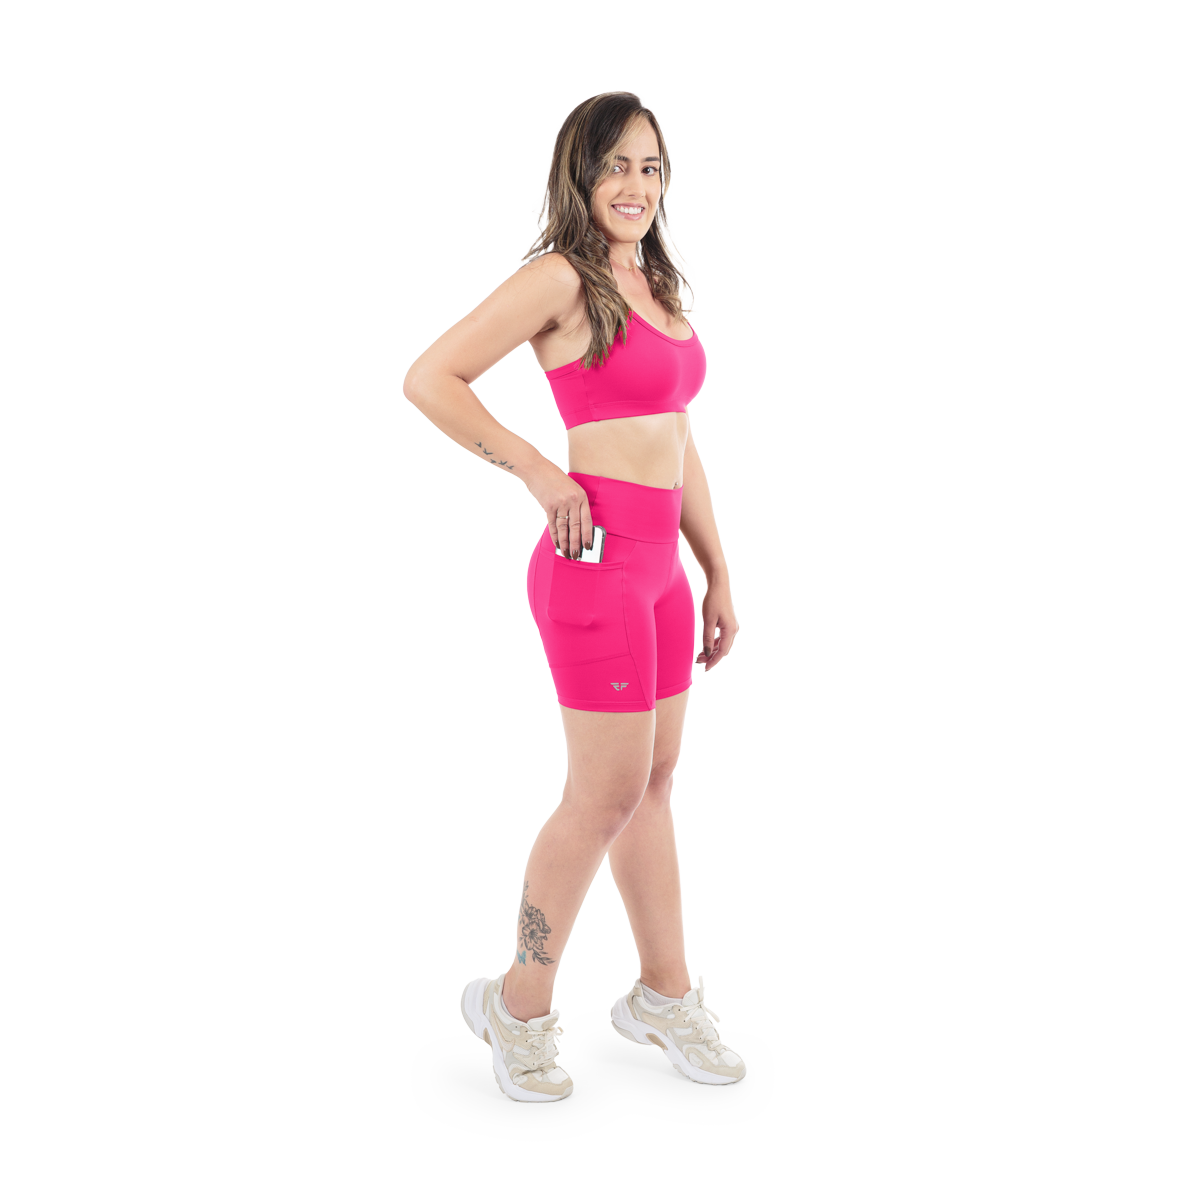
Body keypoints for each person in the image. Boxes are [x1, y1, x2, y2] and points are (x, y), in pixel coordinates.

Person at [403, 91, 744, 1102]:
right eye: (616, 166)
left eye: (651, 166)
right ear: (580, 176)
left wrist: (716, 567)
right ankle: (517, 1007)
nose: (636, 185)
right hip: (593, 565)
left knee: (653, 784)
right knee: (601, 795)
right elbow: (431, 377)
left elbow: (676, 437)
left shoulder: (655, 284)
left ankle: (664, 994)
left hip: (661, 573)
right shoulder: (560, 277)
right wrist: (539, 472)